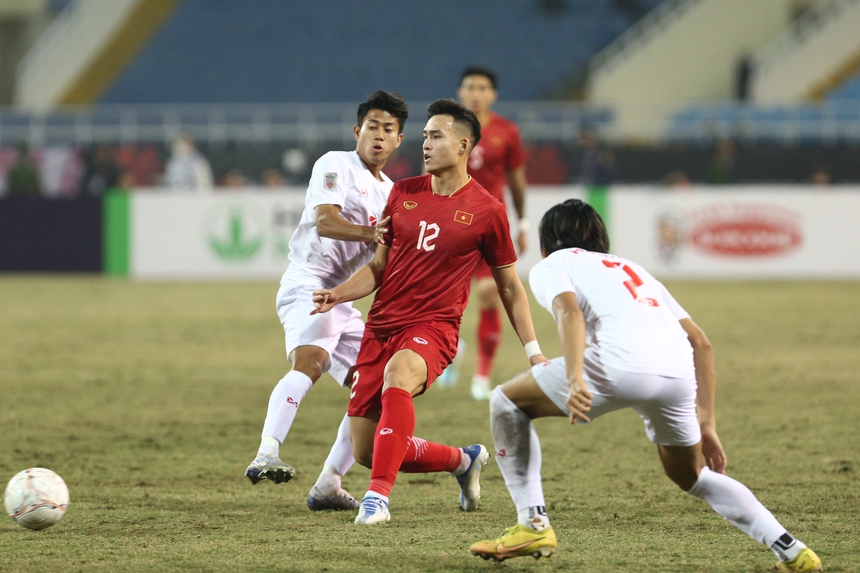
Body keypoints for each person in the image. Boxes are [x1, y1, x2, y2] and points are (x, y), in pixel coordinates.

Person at [469, 199, 822, 573]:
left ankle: (533, 524)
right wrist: (707, 424)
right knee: (693, 477)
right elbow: (700, 342)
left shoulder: (553, 263)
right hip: (677, 374)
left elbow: (568, 312)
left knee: (506, 402)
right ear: (601, 238)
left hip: (618, 364)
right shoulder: (632, 268)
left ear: (546, 244)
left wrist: (575, 379)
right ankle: (793, 550)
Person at [311, 99, 547, 525]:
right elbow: (379, 268)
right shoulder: (402, 193)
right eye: (424, 136)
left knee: (398, 375)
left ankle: (377, 500)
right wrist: (339, 294)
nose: (425, 143)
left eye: (435, 136)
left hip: (432, 329)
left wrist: (533, 351)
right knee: (367, 450)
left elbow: (510, 285)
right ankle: (463, 460)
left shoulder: (487, 210)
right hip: (381, 327)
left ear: (462, 146)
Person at [244, 91, 409, 512]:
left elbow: (382, 262)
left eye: (387, 129)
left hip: (342, 298)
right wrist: (371, 234)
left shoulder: (393, 193)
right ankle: (267, 451)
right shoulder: (334, 164)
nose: (378, 135)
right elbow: (326, 221)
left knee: (370, 391)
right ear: (358, 131)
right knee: (312, 362)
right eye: (372, 126)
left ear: (399, 141)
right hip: (308, 282)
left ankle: (329, 484)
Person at [439, 66, 529, 401]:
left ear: (493, 94)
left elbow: (517, 180)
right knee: (446, 300)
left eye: (482, 88)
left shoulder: (507, 131)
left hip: (491, 224)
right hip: (452, 225)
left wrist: (523, 223)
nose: (475, 93)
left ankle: (482, 374)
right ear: (460, 92)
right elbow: (429, 171)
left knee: (490, 294)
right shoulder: (444, 128)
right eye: (469, 87)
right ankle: (450, 352)